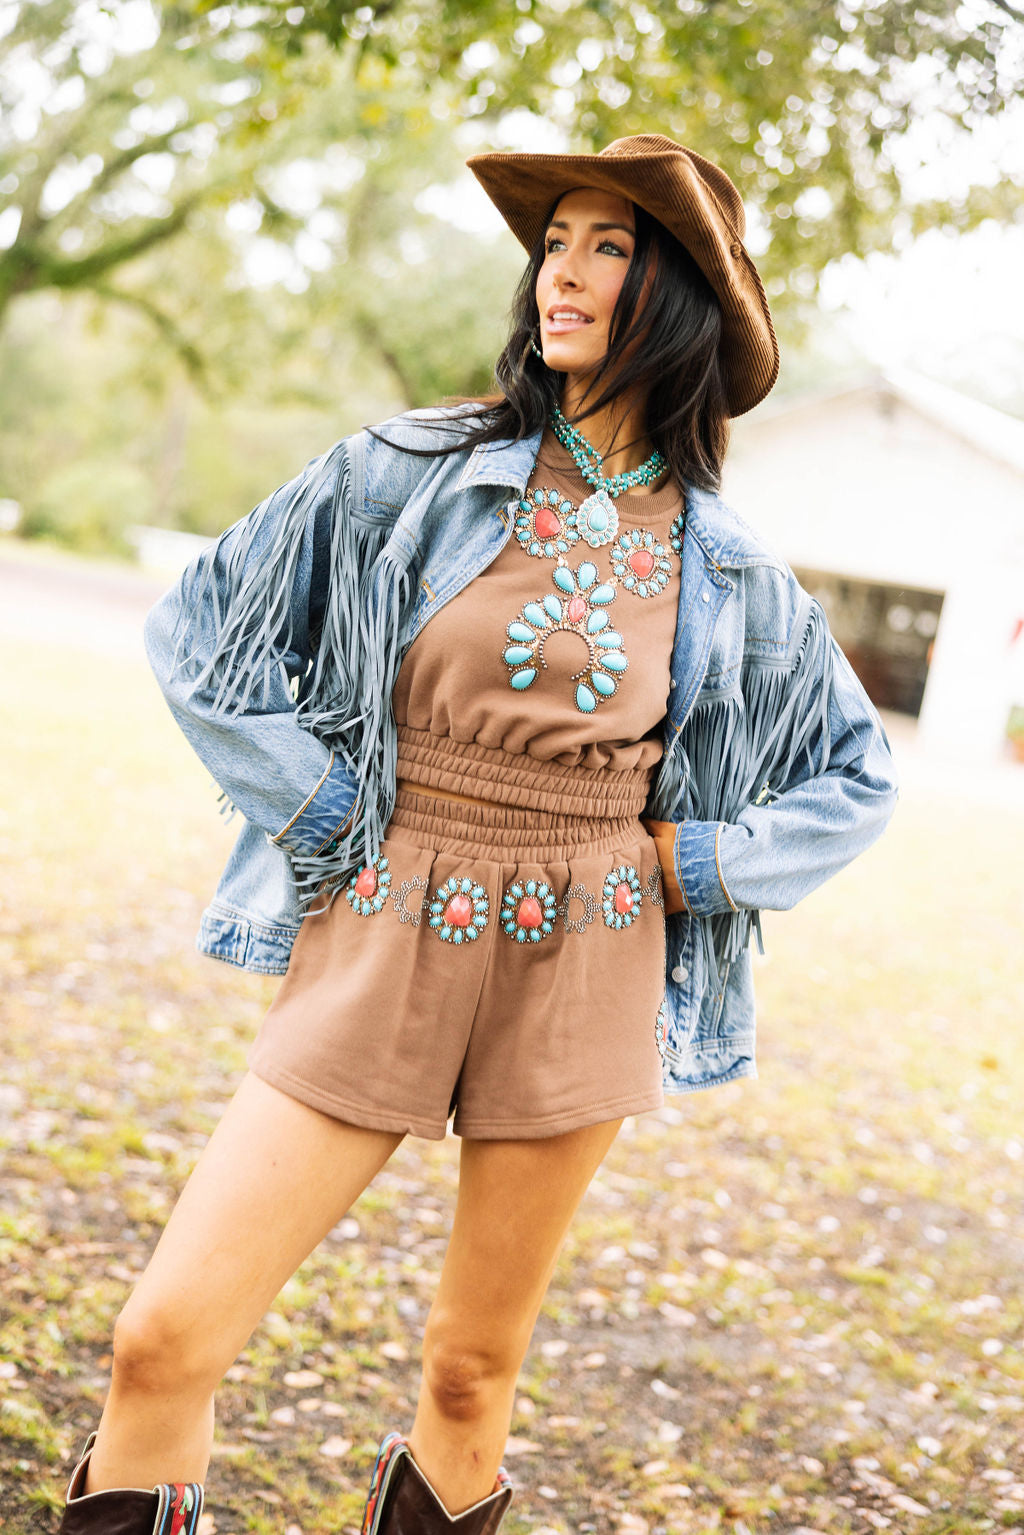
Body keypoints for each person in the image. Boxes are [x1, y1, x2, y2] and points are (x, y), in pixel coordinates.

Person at [55, 135, 897, 1535]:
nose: (559, 272)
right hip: (391, 906)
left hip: (591, 947)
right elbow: (202, 630)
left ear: (678, 293)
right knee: (164, 1336)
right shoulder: (407, 471)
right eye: (553, 242)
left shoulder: (728, 564)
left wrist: (690, 861)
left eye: (607, 247)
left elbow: (853, 777)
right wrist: (325, 809)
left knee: (469, 1371)